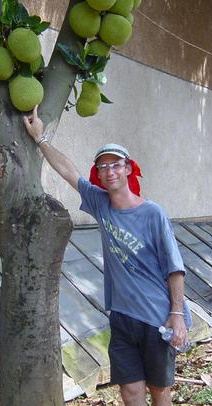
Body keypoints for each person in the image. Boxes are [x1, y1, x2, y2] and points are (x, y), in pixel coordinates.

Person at [23, 105, 191, 406]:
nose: (109, 171)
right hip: (122, 319)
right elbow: (68, 172)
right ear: (99, 174)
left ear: (128, 169)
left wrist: (177, 315)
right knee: (130, 391)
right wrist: (40, 138)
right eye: (103, 167)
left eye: (115, 165)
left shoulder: (152, 214)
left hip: (157, 318)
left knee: (159, 390)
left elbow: (174, 268)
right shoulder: (100, 204)